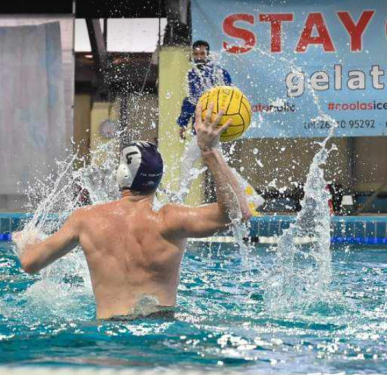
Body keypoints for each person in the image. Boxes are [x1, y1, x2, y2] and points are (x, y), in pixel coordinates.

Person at [15, 101, 252, 320]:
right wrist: (210, 152)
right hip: (160, 329)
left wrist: (27, 240)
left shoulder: (86, 220)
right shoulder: (170, 220)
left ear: (121, 175)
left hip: (108, 335)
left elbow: (30, 263)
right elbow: (239, 213)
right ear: (158, 179)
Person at [178, 40, 232, 140]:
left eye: (202, 53)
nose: (199, 57)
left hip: (218, 125)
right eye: (196, 54)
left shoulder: (220, 73)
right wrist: (183, 124)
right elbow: (191, 101)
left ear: (208, 54)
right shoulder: (192, 74)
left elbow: (231, 99)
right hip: (200, 127)